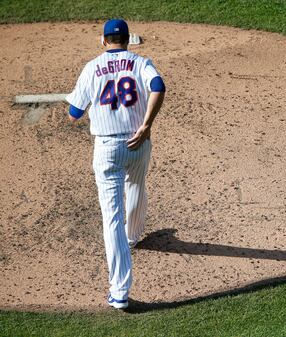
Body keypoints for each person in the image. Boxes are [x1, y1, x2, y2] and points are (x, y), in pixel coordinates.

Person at [65, 19, 166, 309]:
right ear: (127, 40)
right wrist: (146, 124)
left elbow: (74, 113)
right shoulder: (140, 62)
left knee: (112, 218)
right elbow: (159, 86)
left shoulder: (91, 68)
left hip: (107, 149)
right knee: (136, 184)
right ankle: (134, 236)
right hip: (138, 141)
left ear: (103, 40)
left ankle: (119, 292)